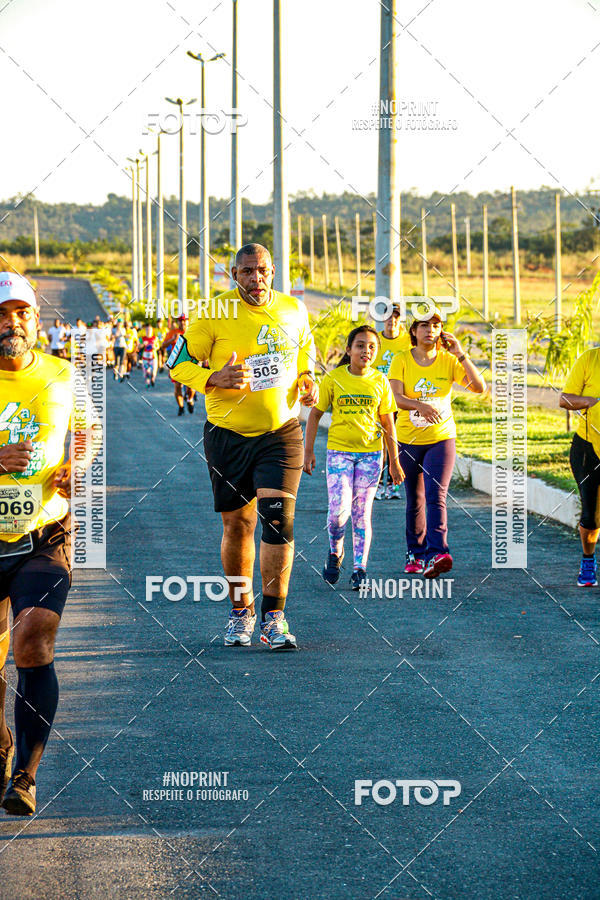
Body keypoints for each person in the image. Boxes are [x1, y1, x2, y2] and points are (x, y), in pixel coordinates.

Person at [168, 243, 317, 649]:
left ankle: (274, 617)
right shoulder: (212, 313)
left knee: (277, 520)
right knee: (239, 525)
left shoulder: (293, 308)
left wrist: (306, 377)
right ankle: (240, 613)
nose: (256, 279)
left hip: (281, 433)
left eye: (263, 271)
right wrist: (213, 378)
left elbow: (305, 348)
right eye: (247, 272)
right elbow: (176, 363)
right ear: (234, 274)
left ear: (274, 271)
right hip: (227, 435)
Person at [0, 272, 99, 816]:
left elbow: (87, 434)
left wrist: (74, 464)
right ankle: (1, 744)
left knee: (33, 639)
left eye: (20, 314)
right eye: (0, 316)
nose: (11, 325)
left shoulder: (64, 375)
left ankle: (25, 777)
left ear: (36, 321)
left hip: (44, 533)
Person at [303, 325, 404, 590]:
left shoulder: (380, 382)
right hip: (339, 453)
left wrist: (393, 461)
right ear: (348, 350)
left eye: (372, 347)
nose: (366, 351)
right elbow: (314, 415)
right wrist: (308, 451)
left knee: (362, 514)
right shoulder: (334, 378)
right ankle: (335, 552)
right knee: (338, 514)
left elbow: (388, 424)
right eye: (360, 345)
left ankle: (360, 568)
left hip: (371, 455)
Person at [389, 308, 486, 578]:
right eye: (424, 325)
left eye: (435, 325)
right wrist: (419, 405)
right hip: (408, 439)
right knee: (415, 498)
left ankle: (438, 553)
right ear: (414, 331)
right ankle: (415, 554)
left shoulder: (448, 360)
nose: (430, 330)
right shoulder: (401, 360)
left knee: (436, 495)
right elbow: (395, 398)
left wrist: (461, 355)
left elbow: (479, 388)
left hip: (441, 438)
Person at [559, 349, 600, 585]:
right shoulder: (590, 359)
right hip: (588, 450)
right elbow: (564, 399)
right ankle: (588, 560)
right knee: (591, 514)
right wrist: (590, 402)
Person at [373, 304, 411, 501]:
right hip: (377, 399)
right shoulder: (375, 340)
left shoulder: (407, 341)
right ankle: (378, 483)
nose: (392, 320)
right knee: (380, 442)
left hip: (398, 399)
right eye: (388, 316)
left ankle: (393, 484)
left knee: (394, 442)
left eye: (396, 317)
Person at [161, 316, 196, 415]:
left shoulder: (192, 331)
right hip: (176, 364)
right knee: (177, 387)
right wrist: (172, 339)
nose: (183, 323)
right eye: (181, 321)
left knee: (191, 386)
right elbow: (163, 345)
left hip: (190, 363)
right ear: (178, 322)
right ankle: (181, 406)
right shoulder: (173, 332)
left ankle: (190, 400)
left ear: (188, 321)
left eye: (185, 321)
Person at [139, 324, 158, 388]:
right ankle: (148, 383)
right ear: (145, 331)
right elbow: (138, 346)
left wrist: (154, 347)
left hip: (153, 357)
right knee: (146, 371)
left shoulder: (155, 338)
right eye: (147, 330)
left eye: (150, 330)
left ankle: (152, 379)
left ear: (152, 331)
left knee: (153, 370)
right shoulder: (142, 338)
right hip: (145, 358)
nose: (148, 331)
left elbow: (158, 346)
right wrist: (143, 345)